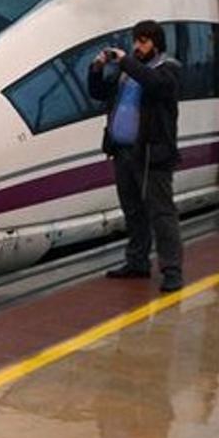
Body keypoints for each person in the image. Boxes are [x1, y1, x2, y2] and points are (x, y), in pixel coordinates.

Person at [88, 20, 184, 292]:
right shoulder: (128, 73)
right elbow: (97, 93)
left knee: (161, 213)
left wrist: (126, 61)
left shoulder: (169, 70)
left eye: (143, 41)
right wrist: (95, 68)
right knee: (133, 210)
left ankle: (172, 270)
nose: (137, 47)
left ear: (157, 43)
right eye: (135, 41)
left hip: (153, 156)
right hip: (123, 152)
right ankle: (137, 261)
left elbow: (154, 84)